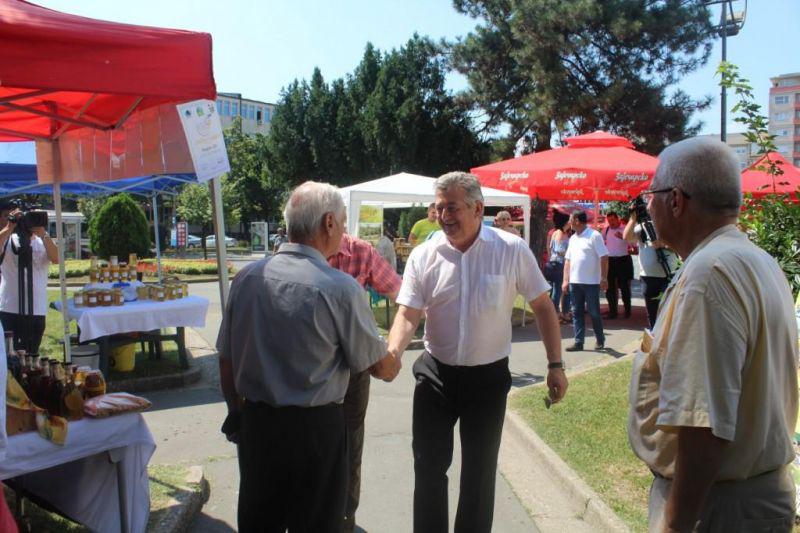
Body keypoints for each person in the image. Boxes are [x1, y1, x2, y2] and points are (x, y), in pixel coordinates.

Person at [628, 137, 799, 532]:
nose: (648, 206)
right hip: (747, 501)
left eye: (651, 195)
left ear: (675, 200)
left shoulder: (709, 275)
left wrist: (676, 525)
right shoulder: (756, 259)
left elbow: (702, 424)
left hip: (717, 509)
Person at [387, 171, 567, 533]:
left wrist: (555, 364)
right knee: (428, 466)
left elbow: (543, 307)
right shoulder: (424, 255)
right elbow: (408, 314)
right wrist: (393, 352)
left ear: (478, 209)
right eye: (439, 208)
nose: (444, 216)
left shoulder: (511, 249)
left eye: (452, 207)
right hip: (435, 375)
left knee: (479, 474)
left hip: (487, 379)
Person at [217, 181, 400, 533]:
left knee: (260, 522)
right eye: (342, 223)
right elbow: (381, 368)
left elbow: (226, 359)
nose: (343, 231)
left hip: (257, 425)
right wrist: (395, 347)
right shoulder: (339, 288)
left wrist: (236, 412)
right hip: (315, 432)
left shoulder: (247, 279)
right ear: (329, 223)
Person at [328, 232, 402, 533]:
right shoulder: (298, 252)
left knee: (349, 443)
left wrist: (393, 348)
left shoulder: (359, 251)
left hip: (352, 367)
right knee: (311, 443)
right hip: (312, 365)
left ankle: (345, 518)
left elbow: (401, 292)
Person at [0, 205, 59, 353]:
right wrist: (9, 227)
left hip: (36, 309)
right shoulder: (7, 239)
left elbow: (57, 258)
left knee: (32, 355)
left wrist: (43, 233)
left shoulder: (42, 240)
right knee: (9, 355)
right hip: (9, 308)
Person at [622, 209, 679, 329]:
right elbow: (626, 237)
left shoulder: (671, 224)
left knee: (669, 311)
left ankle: (667, 336)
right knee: (652, 312)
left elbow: (682, 247)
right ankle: (654, 335)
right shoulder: (642, 226)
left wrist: (663, 245)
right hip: (648, 277)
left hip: (668, 274)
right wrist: (632, 219)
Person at [562, 210, 608, 351]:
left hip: (591, 283)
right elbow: (568, 261)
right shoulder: (573, 238)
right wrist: (565, 280)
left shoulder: (594, 235)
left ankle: (600, 339)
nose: (569, 222)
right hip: (575, 282)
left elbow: (604, 257)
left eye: (570, 219)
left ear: (577, 220)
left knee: (594, 312)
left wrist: (604, 278)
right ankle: (579, 342)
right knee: (576, 312)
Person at [602, 211, 633, 319]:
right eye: (609, 221)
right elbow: (600, 242)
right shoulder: (606, 230)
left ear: (617, 218)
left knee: (624, 287)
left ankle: (627, 310)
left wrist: (624, 238)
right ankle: (612, 311)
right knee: (609, 288)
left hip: (623, 260)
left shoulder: (625, 229)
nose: (611, 223)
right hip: (610, 261)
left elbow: (633, 243)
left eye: (612, 220)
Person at [547, 210, 572, 324]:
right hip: (559, 264)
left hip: (556, 264)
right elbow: (559, 250)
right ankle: (555, 314)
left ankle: (561, 313)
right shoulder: (560, 233)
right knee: (558, 290)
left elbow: (551, 249)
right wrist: (572, 253)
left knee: (558, 290)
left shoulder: (558, 232)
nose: (571, 222)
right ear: (565, 222)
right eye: (569, 221)